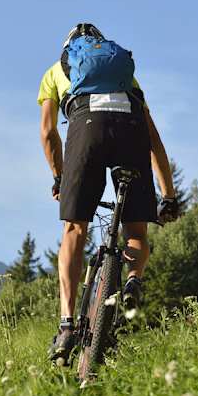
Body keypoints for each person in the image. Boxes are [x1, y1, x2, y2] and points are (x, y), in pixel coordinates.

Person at [38, 23, 179, 363]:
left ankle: (68, 324)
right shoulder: (124, 75)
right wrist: (168, 195)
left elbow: (47, 133)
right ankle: (133, 280)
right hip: (130, 130)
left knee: (75, 229)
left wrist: (59, 176)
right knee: (135, 231)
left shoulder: (56, 71)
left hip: (86, 128)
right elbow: (154, 139)